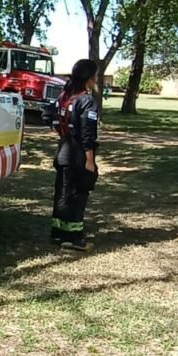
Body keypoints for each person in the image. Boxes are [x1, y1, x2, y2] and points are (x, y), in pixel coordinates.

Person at [47, 59, 100, 251]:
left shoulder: (65, 96)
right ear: (89, 77)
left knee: (62, 193)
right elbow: (88, 134)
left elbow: (49, 116)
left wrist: (63, 133)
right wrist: (89, 160)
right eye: (95, 73)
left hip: (62, 152)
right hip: (76, 155)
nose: (97, 77)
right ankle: (73, 237)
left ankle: (58, 233)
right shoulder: (86, 100)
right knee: (76, 195)